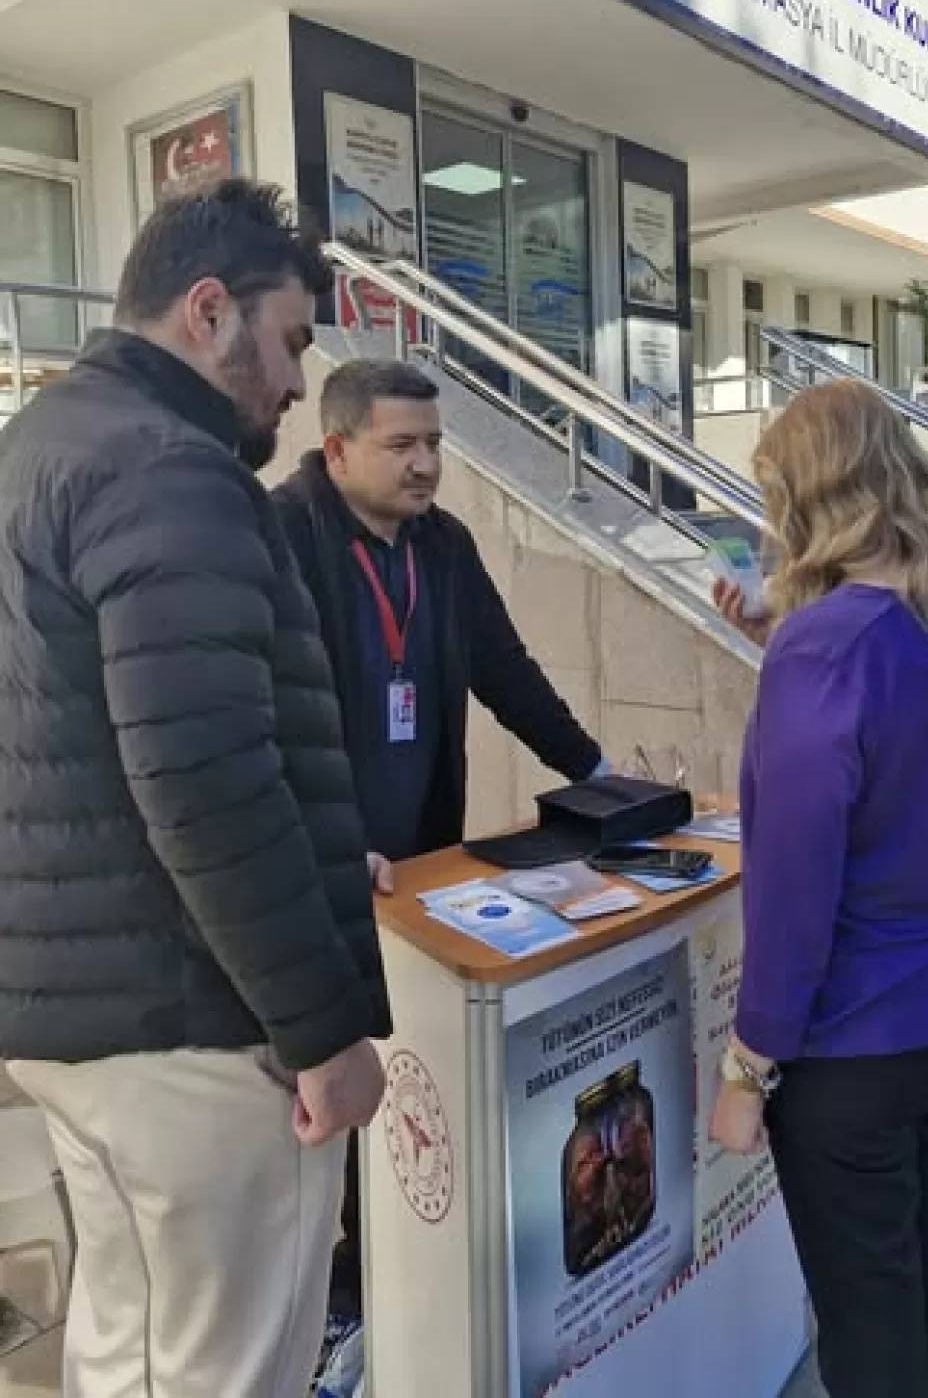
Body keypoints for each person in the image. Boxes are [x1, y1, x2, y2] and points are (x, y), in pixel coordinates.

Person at [0, 180, 393, 1398]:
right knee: (231, 1369)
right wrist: (324, 1032)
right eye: (285, 342)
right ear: (207, 311)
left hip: (73, 1025)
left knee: (127, 1349)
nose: (293, 382)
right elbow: (204, 779)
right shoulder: (170, 470)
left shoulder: (39, 445)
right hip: (197, 1033)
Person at [272, 356, 607, 1330]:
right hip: (318, 866)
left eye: (434, 444)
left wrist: (595, 771)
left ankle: (385, 1252)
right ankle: (330, 1288)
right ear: (336, 448)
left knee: (402, 1064)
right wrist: (324, 838)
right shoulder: (284, 536)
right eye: (401, 445)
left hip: (419, 864)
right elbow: (260, 715)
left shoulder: (445, 547)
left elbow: (506, 671)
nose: (425, 466)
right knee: (319, 1078)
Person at [709, 379, 928, 1398]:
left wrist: (746, 1068)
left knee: (869, 1310)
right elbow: (914, 758)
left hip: (863, 1040)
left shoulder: (824, 648)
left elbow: (796, 889)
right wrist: (785, 645)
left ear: (806, 496)